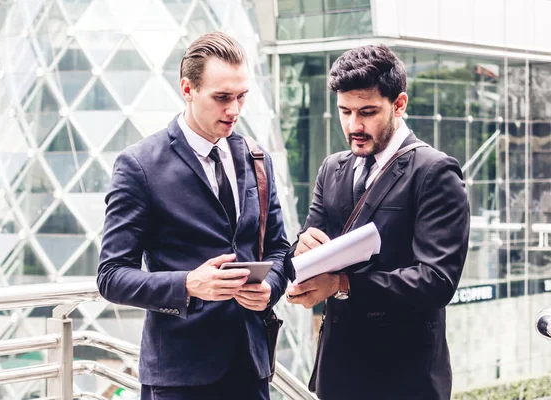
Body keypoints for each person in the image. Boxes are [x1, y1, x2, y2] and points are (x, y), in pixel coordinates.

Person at [97, 32, 289, 400]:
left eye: (241, 96)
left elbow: (279, 249)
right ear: (187, 89)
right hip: (179, 377)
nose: (234, 110)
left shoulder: (255, 158)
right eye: (222, 98)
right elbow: (111, 276)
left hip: (251, 368)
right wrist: (187, 284)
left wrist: (270, 288)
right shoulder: (139, 166)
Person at [285, 44, 470, 400]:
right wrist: (302, 247)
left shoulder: (434, 172)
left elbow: (437, 281)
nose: (354, 125)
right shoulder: (332, 168)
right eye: (345, 111)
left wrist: (341, 284)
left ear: (399, 104)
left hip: (404, 379)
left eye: (367, 112)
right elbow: (309, 241)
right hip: (337, 374)